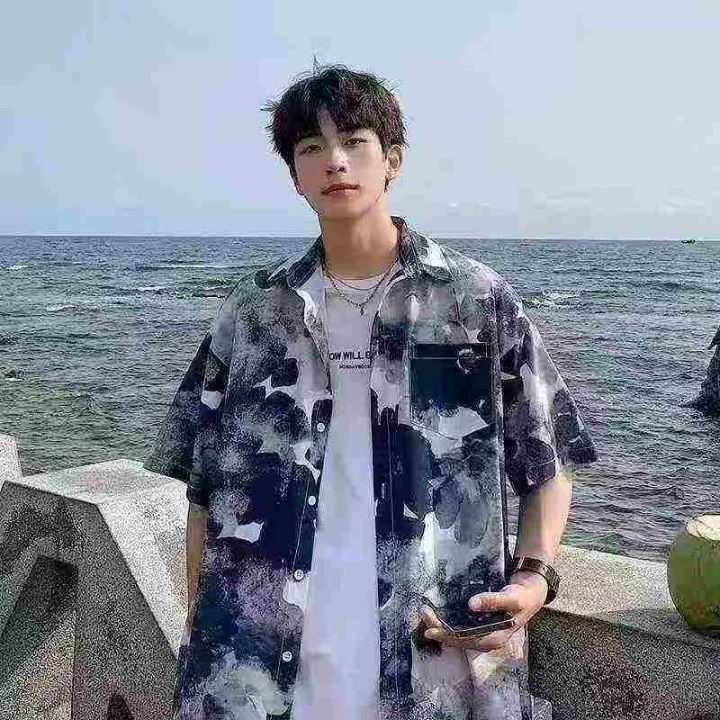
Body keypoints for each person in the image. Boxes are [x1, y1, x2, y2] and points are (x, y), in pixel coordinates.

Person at [143, 62, 599, 720]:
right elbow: (203, 489)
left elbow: (547, 460)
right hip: (261, 663)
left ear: (392, 159)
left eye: (354, 142)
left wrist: (534, 577)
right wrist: (203, 635)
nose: (335, 161)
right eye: (311, 148)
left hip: (431, 655)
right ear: (295, 176)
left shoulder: (475, 302)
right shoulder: (251, 313)